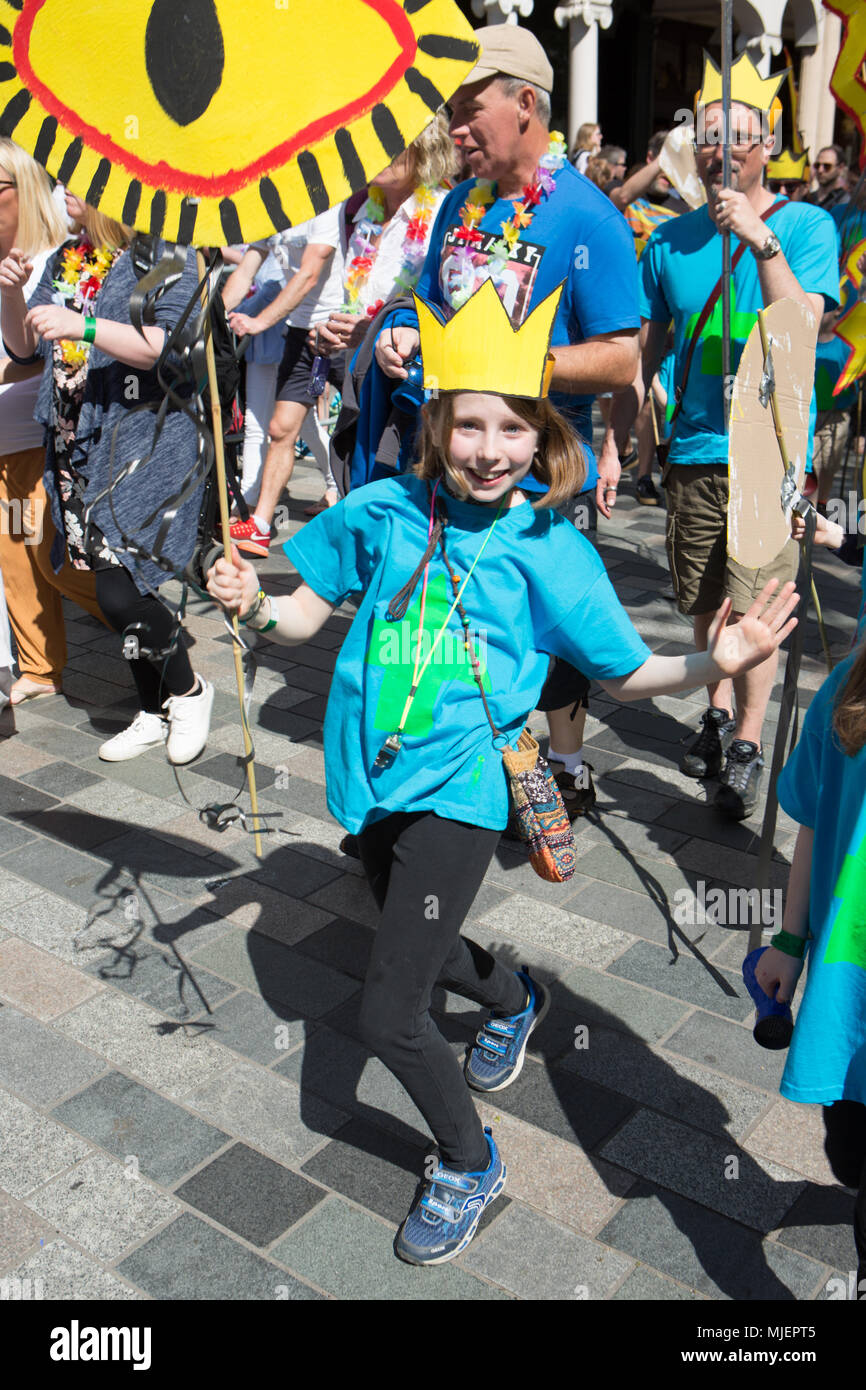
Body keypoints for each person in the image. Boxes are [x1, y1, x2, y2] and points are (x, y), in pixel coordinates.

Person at [206, 277, 799, 1266]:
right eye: (469, 424)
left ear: (540, 436)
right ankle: (517, 1000)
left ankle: (467, 1159)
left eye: (511, 428)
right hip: (373, 778)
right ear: (434, 422)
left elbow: (626, 672)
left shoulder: (547, 547)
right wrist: (250, 603)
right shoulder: (381, 507)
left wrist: (715, 665)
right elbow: (302, 615)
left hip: (466, 792)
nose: (489, 448)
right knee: (425, 945)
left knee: (388, 1011)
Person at [373, 23, 640, 817]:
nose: (452, 129)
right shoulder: (461, 199)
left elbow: (622, 357)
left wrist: (516, 366)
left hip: (541, 465)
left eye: (467, 108)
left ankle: (564, 766)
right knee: (449, 614)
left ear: (527, 104)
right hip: (448, 458)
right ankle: (439, 777)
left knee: (548, 628)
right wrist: (400, 327)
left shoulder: (587, 217)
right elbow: (426, 296)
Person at [618, 52, 839, 818]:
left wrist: (758, 239)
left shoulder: (806, 226)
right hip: (695, 451)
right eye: (708, 138)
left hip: (768, 450)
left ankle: (744, 744)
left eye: (738, 138)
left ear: (766, 145)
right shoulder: (669, 242)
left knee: (756, 611)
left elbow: (801, 330)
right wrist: (628, 438)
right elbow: (647, 348)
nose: (721, 151)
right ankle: (716, 711)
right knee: (705, 605)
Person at [0, 192, 213, 763]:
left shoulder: (165, 257)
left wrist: (84, 325)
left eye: (76, 181)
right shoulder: (73, 254)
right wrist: (10, 291)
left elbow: (165, 347)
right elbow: (26, 350)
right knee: (109, 582)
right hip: (75, 446)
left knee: (123, 593)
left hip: (143, 442)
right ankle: (152, 707)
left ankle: (190, 691)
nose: (62, 191)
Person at [226, 113, 454, 555]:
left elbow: (439, 300)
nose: (380, 156)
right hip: (360, 361)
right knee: (356, 457)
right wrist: (339, 332)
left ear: (423, 150)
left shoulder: (441, 210)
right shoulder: (365, 214)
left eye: (394, 145)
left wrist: (379, 330)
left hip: (411, 372)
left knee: (408, 469)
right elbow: (354, 292)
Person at [755, 634, 866, 1299]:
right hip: (849, 980)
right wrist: (789, 942)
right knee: (848, 1152)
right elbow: (816, 819)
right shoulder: (850, 682)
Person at [0, 139, 108, 706]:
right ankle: (39, 667)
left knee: (55, 558)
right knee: (17, 555)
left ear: (22, 188)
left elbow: (38, 358)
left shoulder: (60, 256)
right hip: (6, 443)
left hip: (42, 441)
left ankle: (146, 624)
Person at [222, 210, 346, 550]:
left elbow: (308, 273)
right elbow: (248, 267)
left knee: (357, 429)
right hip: (303, 338)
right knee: (281, 428)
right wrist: (214, 313)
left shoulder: (328, 206)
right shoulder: (273, 207)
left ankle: (347, 508)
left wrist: (259, 322)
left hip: (345, 330)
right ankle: (261, 524)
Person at [806, 145, 850, 211]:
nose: (820, 170)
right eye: (817, 165)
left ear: (840, 168)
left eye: (827, 166)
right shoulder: (807, 198)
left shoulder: (844, 200)